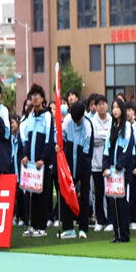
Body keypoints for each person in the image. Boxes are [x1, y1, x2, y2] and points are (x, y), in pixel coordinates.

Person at [20, 84, 55, 237]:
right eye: (32, 96)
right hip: (31, 165)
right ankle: (32, 226)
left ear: (42, 98)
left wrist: (43, 159)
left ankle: (42, 227)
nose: (34, 98)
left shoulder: (47, 116)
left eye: (37, 95)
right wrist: (26, 155)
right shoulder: (30, 117)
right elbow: (27, 139)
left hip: (42, 164)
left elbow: (49, 140)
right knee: (31, 194)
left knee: (43, 195)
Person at [60, 101, 94, 239]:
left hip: (83, 167)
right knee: (66, 195)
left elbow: (87, 152)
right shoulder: (68, 121)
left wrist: (80, 175)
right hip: (68, 165)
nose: (76, 123)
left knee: (84, 197)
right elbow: (62, 140)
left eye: (78, 120)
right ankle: (68, 228)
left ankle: (83, 228)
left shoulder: (88, 126)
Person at [102, 97, 135, 243]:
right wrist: (105, 166)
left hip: (123, 172)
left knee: (123, 203)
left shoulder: (127, 126)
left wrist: (119, 165)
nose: (115, 110)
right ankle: (117, 234)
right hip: (112, 172)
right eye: (113, 107)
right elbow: (106, 148)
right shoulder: (111, 127)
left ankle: (124, 235)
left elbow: (128, 147)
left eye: (117, 107)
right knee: (113, 202)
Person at [91, 94, 112, 232]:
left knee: (110, 193)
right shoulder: (92, 121)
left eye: (104, 103)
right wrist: (106, 136)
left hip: (109, 163)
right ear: (95, 106)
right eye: (99, 104)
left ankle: (111, 220)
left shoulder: (112, 119)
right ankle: (99, 220)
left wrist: (102, 136)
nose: (102, 106)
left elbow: (113, 138)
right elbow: (93, 139)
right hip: (96, 164)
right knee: (98, 193)